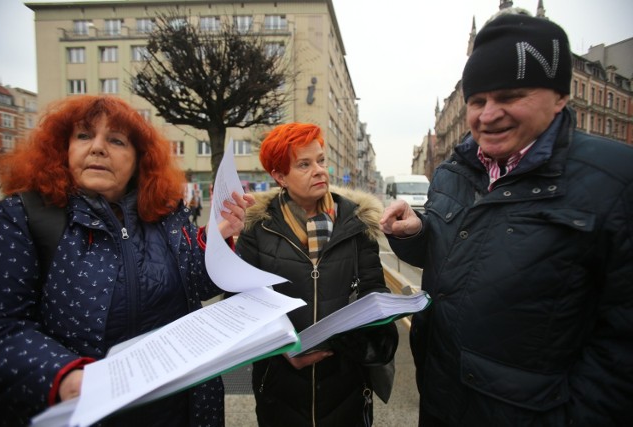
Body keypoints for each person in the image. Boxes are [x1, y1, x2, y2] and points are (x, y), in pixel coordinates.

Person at [380, 12, 633, 427]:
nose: (488, 115)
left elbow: (621, 349)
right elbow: (464, 252)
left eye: (511, 96)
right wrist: (418, 231)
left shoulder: (616, 180)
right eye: (478, 101)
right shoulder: (453, 170)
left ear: (560, 97)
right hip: (442, 399)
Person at [0, 95, 254, 426]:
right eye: (84, 136)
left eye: (115, 140)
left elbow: (196, 285)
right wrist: (65, 377)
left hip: (178, 409)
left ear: (138, 159)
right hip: (84, 412)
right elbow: (3, 326)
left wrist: (217, 237)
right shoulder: (22, 217)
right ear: (64, 148)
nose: (98, 148)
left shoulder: (165, 212)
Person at [236, 123, 398, 426]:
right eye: (304, 164)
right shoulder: (257, 228)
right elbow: (241, 301)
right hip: (279, 385)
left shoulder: (358, 224)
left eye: (321, 160)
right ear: (280, 176)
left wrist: (360, 337)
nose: (320, 170)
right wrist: (280, 346)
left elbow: (373, 293)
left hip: (346, 383)